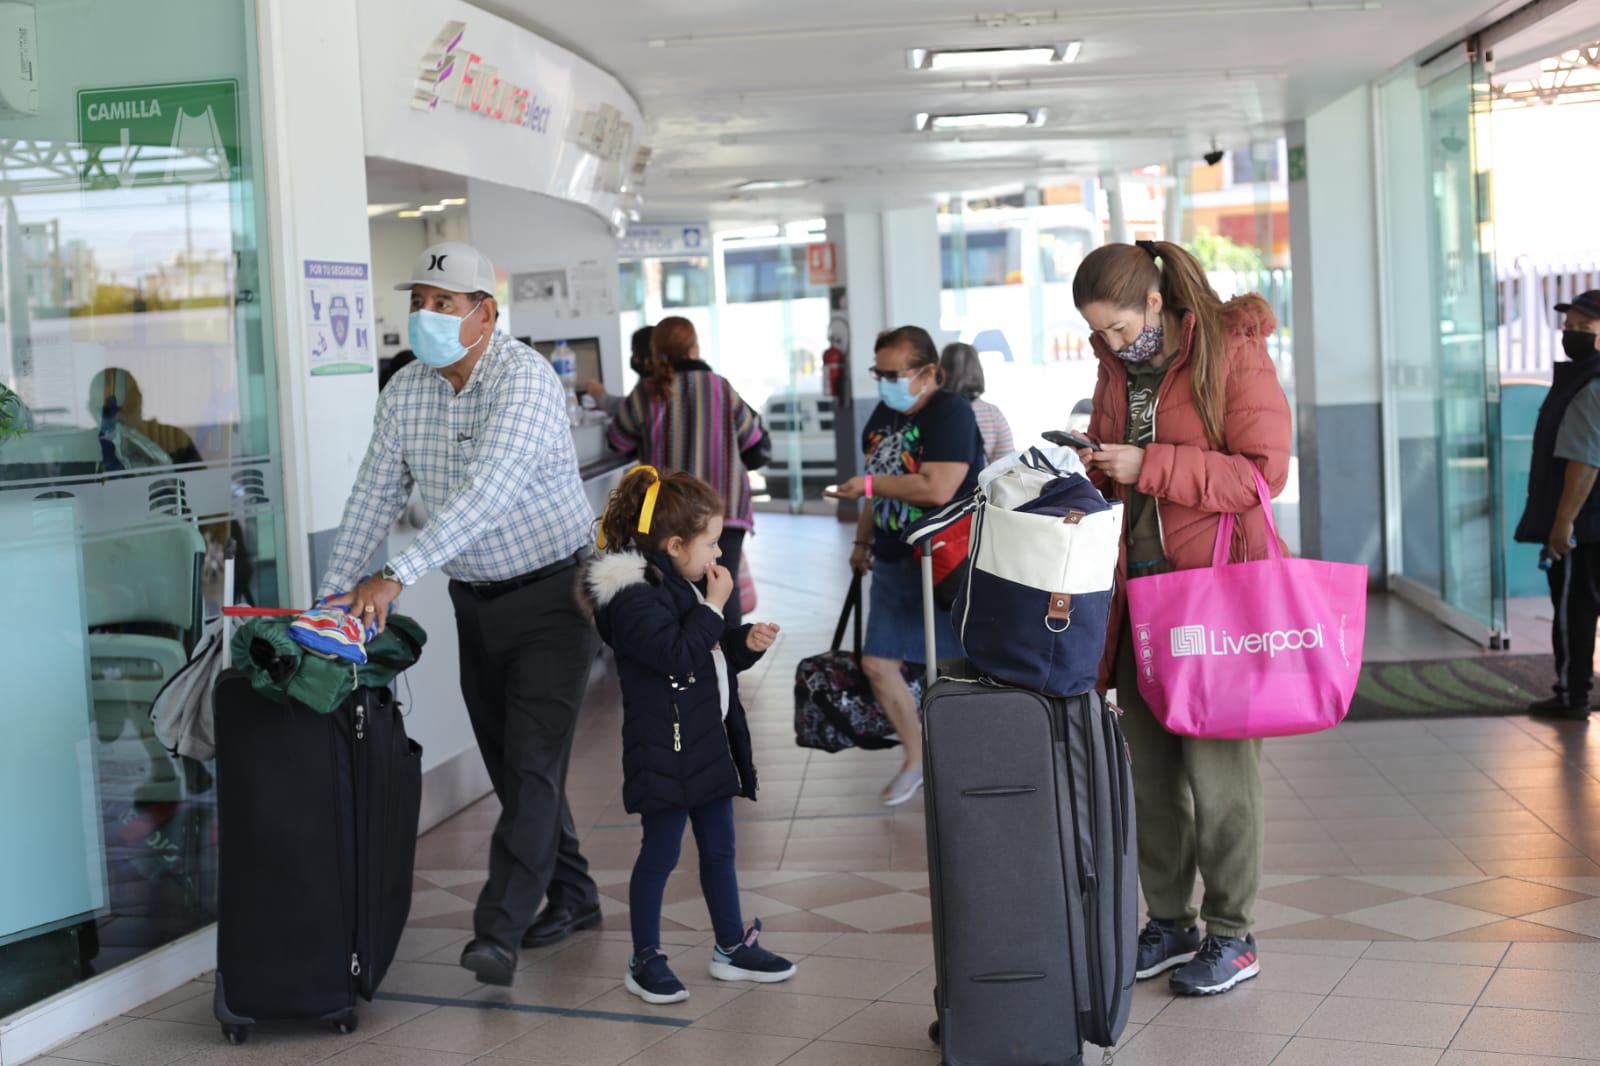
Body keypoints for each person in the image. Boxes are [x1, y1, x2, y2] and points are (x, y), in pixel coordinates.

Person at [319, 241, 602, 988]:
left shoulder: (526, 380)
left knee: (535, 766)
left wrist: (395, 574)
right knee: (516, 768)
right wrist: (334, 596)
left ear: (486, 314)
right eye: (418, 300)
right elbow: (373, 495)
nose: (427, 315)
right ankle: (576, 895)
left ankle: (498, 932)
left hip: (556, 597)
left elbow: (490, 491)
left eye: (445, 303)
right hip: (476, 604)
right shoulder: (406, 391)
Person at [1073, 239, 1290, 997]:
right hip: (1136, 595)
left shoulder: (1230, 349)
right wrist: (1094, 467)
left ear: (1155, 302)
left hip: (1213, 597)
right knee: (1151, 774)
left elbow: (1264, 475)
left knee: (1221, 775)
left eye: (1119, 329)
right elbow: (1120, 477)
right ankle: (1171, 921)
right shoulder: (1114, 370)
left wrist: (1151, 465)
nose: (1110, 344)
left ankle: (1234, 933)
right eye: (1098, 334)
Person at [583, 466, 797, 1004]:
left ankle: (730, 945)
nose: (717, 554)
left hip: (702, 739)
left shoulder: (675, 583)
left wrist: (742, 641)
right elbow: (675, 653)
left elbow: (705, 655)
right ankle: (645, 958)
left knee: (720, 850)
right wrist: (714, 608)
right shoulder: (632, 595)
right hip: (665, 747)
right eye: (709, 543)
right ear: (675, 544)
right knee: (660, 852)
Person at [826, 326, 983, 807]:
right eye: (880, 373)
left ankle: (970, 766)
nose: (886, 382)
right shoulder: (882, 414)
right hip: (895, 557)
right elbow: (877, 477)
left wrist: (869, 489)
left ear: (929, 373)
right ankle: (917, 759)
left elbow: (937, 487)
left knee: (955, 670)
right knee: (878, 662)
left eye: (895, 374)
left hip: (945, 563)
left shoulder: (950, 413)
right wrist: (863, 537)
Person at [607, 316, 765, 628]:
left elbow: (617, 441)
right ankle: (728, 659)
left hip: (667, 514)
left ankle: (687, 658)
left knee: (674, 590)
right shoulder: (719, 386)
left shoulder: (646, 392)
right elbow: (755, 443)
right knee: (722, 583)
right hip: (725, 507)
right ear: (694, 348)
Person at [1514, 289, 1600, 721]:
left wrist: (1562, 524)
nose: (1573, 335)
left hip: (1585, 527)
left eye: (1585, 328)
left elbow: (1584, 460)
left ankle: (1572, 694)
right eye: (1569, 327)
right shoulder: (1580, 379)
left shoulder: (1591, 384)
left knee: (1575, 610)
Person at [940, 341, 1015, 464]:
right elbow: (1007, 466)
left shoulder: (932, 410)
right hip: (980, 482)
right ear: (978, 370)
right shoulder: (992, 414)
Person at [584, 325, 654, 417]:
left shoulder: (657, 386)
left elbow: (633, 408)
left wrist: (601, 396)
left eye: (636, 353)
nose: (635, 359)